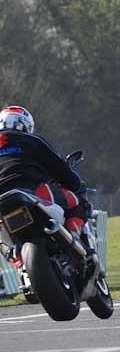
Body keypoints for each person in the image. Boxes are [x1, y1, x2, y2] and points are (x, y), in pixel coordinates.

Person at [0, 106, 90, 267]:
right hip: (33, 190)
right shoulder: (33, 141)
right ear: (26, 125)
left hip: (2, 201)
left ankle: (17, 261)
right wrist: (77, 186)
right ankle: (76, 245)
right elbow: (60, 168)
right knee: (80, 203)